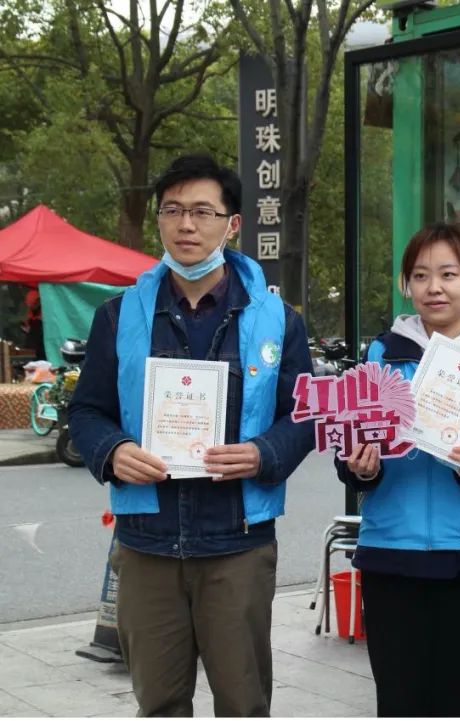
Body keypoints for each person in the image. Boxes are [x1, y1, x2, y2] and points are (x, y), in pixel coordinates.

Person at [68, 154, 314, 717]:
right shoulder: (119, 316)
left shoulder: (278, 319)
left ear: (233, 224)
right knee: (158, 703)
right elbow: (87, 411)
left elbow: (302, 415)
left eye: (203, 211)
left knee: (243, 703)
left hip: (237, 545)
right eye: (172, 210)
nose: (186, 225)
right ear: (158, 219)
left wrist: (263, 453)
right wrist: (112, 450)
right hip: (146, 543)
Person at [335, 222, 460, 718]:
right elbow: (349, 451)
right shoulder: (381, 353)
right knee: (398, 702)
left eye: (448, 274)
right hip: (390, 552)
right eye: (420, 276)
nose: (433, 287)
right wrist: (361, 467)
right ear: (407, 285)